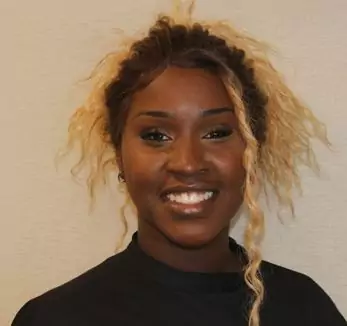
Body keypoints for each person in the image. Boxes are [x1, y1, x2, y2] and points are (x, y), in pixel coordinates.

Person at [12, 1, 347, 326]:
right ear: (119, 156)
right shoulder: (56, 318)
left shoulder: (305, 308)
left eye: (216, 132)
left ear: (251, 152)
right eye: (157, 136)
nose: (188, 164)